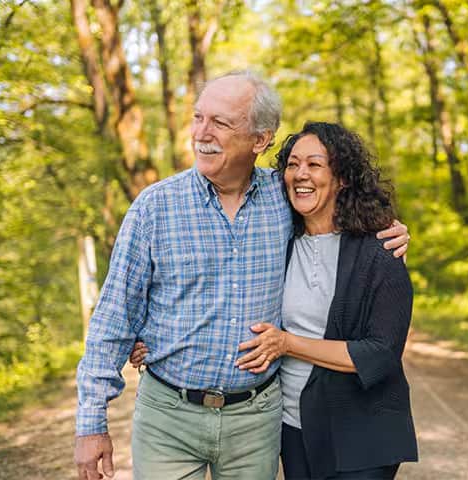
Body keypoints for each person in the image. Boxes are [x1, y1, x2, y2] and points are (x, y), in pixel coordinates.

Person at [74, 71, 411, 480]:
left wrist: (389, 228)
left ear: (260, 139)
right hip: (168, 417)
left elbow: (334, 208)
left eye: (220, 122)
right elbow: (114, 317)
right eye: (198, 118)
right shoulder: (155, 208)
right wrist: (92, 423)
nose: (202, 132)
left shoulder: (284, 198)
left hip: (256, 420)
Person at [137, 122, 418, 479]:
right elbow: (221, 294)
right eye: (293, 164)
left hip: (361, 427)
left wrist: (287, 344)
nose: (301, 174)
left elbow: (380, 355)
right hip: (294, 426)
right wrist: (157, 339)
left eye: (315, 165)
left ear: (342, 178)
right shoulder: (278, 242)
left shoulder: (379, 250)